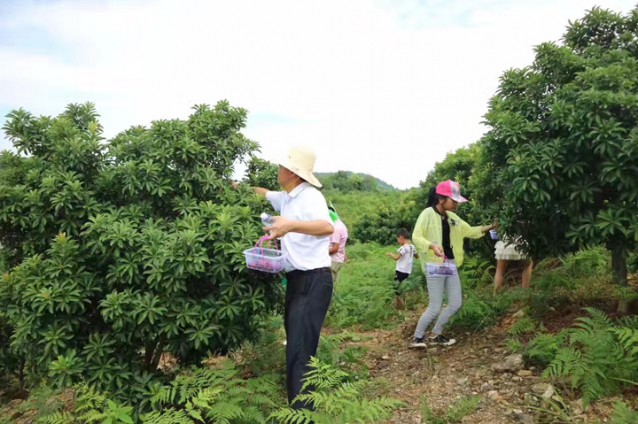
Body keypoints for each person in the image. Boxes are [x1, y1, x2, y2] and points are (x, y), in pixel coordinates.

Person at [249, 147, 334, 410]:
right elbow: (263, 193)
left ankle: (303, 414)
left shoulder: (311, 197)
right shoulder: (287, 198)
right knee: (298, 346)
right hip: (297, 281)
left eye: (282, 166)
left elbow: (326, 227)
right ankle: (304, 409)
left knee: (299, 350)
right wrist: (236, 187)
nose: (278, 170)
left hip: (314, 281)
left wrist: (289, 226)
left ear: (293, 173)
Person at [410, 180, 495, 348]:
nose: (456, 204)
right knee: (435, 306)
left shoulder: (452, 217)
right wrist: (432, 245)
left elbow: (469, 230)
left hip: (450, 264)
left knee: (455, 303)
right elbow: (416, 236)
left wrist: (492, 226)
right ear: (442, 199)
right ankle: (417, 338)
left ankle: (435, 335)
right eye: (453, 200)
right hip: (434, 265)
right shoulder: (427, 214)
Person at [386, 228, 418, 309]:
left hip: (400, 270)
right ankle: (400, 304)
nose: (397, 241)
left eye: (397, 239)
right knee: (400, 287)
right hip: (407, 271)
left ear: (401, 237)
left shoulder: (403, 248)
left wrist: (390, 254)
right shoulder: (412, 247)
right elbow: (417, 256)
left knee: (396, 288)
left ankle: (401, 306)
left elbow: (396, 258)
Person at [328, 205, 348, 284]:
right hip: (338, 259)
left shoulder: (336, 229)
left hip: (333, 261)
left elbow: (335, 248)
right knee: (334, 284)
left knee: (328, 286)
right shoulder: (341, 225)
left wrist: (320, 253)